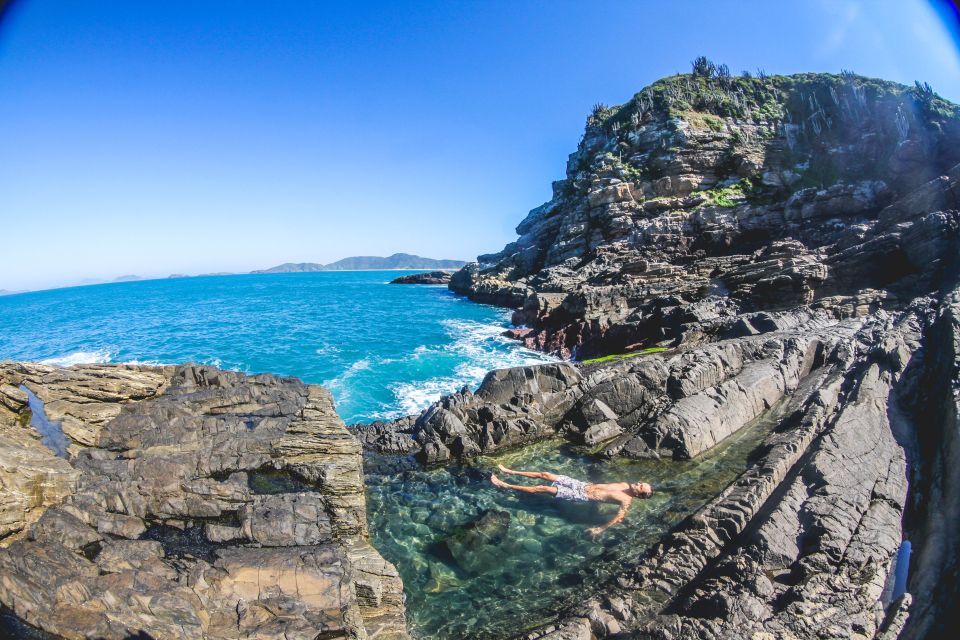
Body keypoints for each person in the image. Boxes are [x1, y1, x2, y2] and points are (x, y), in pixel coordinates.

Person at [490, 464, 653, 536]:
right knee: (545, 474)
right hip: (581, 485)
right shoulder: (624, 483)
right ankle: (510, 472)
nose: (638, 484)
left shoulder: (626, 501)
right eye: (640, 483)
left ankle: (505, 485)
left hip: (580, 496)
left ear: (639, 495)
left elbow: (619, 518)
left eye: (640, 487)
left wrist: (600, 529)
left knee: (543, 488)